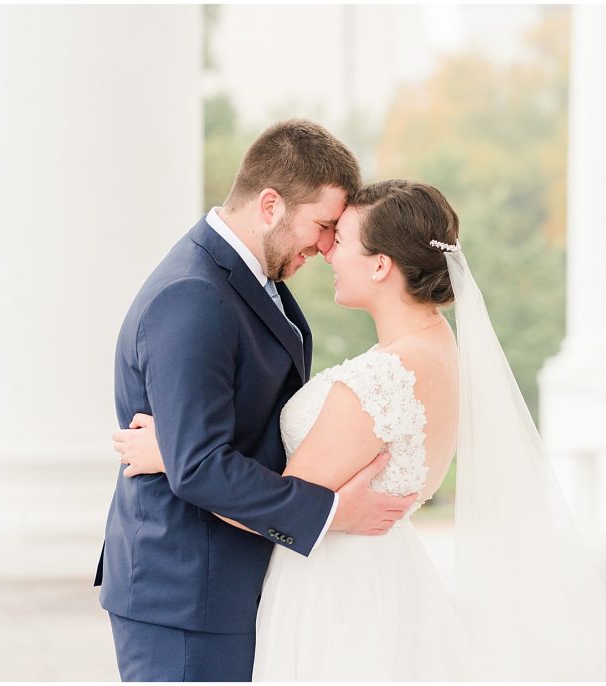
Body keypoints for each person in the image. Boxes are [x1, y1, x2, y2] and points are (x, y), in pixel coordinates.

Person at [116, 179, 606, 680]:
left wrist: (178, 454)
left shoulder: (374, 384)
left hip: (336, 595)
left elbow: (258, 503)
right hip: (391, 583)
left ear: (380, 267)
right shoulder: (441, 351)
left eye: (341, 237)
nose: (327, 249)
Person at [96, 120, 418, 682]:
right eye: (321, 226)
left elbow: (212, 445)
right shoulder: (193, 295)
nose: (325, 246)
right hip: (188, 596)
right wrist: (335, 513)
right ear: (270, 205)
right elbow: (200, 468)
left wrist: (174, 452)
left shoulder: (253, 280)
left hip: (232, 583)